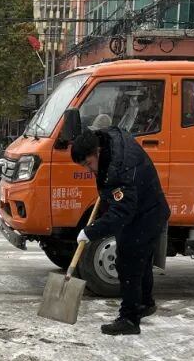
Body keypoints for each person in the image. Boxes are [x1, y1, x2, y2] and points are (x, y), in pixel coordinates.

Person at [71, 125, 170, 336]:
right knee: (140, 259)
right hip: (146, 207)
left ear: (97, 151)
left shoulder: (120, 168)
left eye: (89, 164)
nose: (89, 171)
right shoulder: (108, 141)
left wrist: (91, 231)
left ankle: (129, 319)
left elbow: (122, 212)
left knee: (128, 262)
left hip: (146, 214)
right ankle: (145, 302)